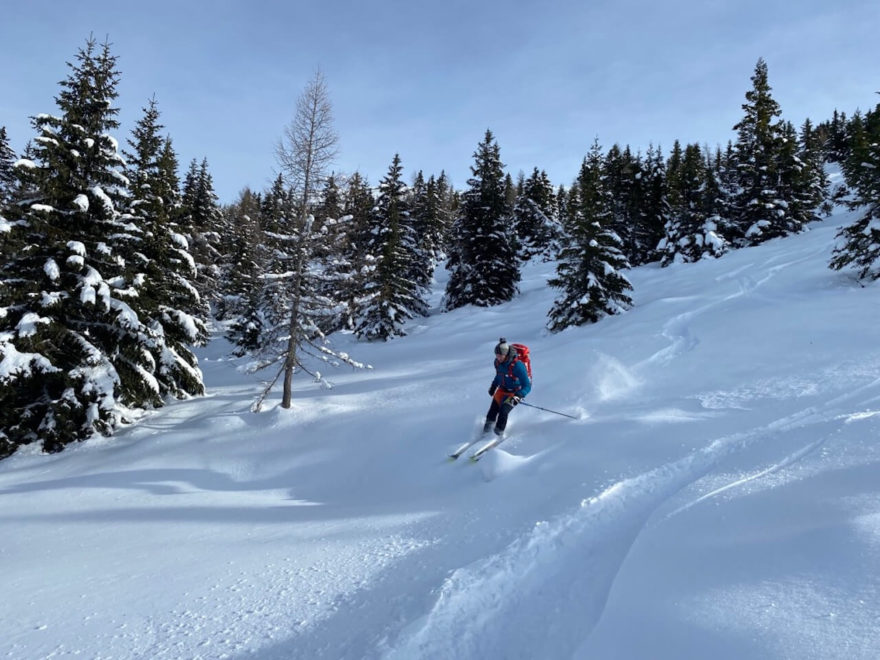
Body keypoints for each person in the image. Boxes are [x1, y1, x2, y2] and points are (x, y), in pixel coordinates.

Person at [484, 338, 531, 438]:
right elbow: (499, 376)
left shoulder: (518, 365)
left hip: (514, 393)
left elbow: (527, 385)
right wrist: (493, 386)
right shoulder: (497, 363)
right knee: (492, 412)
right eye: (496, 355)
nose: (498, 358)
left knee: (503, 410)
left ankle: (498, 434)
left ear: (506, 354)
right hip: (502, 390)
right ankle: (485, 433)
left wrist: (519, 395)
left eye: (500, 355)